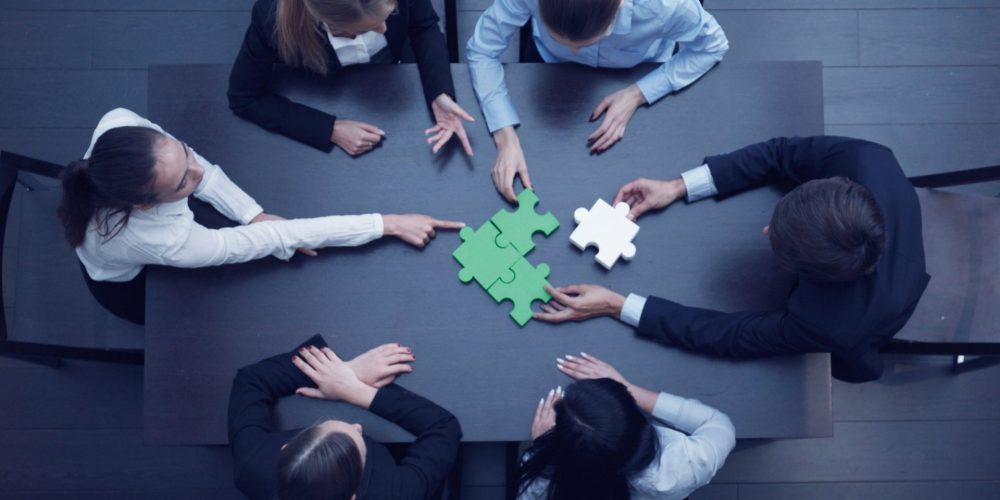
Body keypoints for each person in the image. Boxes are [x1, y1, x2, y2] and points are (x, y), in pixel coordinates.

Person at [534, 136, 931, 383]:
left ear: (811, 277)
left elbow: (730, 336)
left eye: (780, 245)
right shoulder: (867, 160)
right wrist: (677, 186)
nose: (764, 232)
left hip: (881, 316)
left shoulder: (831, 322)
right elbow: (781, 153)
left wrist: (616, 305)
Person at [58, 108, 463, 324]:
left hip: (120, 237)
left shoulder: (119, 123)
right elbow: (278, 239)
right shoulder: (168, 239)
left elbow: (206, 175)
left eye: (184, 150)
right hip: (125, 286)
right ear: (145, 204)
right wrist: (388, 223)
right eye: (183, 182)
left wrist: (252, 214)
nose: (197, 173)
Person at [466, 0, 728, 202]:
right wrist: (505, 137)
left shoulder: (666, 6)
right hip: (548, 68)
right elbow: (483, 49)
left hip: (641, 69)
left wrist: (639, 92)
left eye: (583, 43)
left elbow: (713, 45)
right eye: (562, 40)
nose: (574, 51)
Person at [229, 0, 475, 157]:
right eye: (368, 28)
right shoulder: (270, 17)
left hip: (397, 79)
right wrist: (330, 129)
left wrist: (439, 92)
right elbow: (244, 97)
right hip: (324, 89)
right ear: (328, 22)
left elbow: (423, 26)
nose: (384, 30)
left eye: (389, 15)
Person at [228, 335, 462, 499]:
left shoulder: (253, 465)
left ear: (286, 449)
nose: (357, 426)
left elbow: (250, 381)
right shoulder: (393, 493)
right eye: (361, 448)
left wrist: (347, 371)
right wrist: (355, 390)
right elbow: (443, 427)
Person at [520, 352, 734, 499]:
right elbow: (718, 423)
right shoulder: (684, 466)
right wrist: (630, 389)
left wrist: (540, 445)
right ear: (636, 421)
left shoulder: (541, 484)